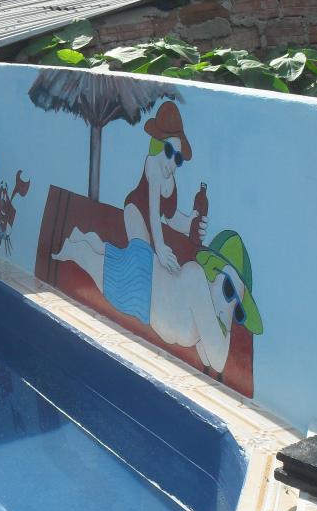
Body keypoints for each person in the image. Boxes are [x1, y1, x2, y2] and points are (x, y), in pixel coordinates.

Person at [52, 228, 262, 376]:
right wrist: (228, 324)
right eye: (228, 290)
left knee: (98, 259)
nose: (229, 306)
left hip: (144, 285)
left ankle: (86, 240)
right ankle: (77, 247)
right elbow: (218, 359)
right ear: (212, 272)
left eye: (238, 310)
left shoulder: (204, 313)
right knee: (86, 259)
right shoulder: (196, 278)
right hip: (139, 282)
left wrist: (228, 310)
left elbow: (207, 357)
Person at [122, 100, 205, 272]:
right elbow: (154, 213)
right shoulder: (153, 166)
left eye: (178, 158)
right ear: (158, 146)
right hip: (135, 212)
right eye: (169, 152)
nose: (173, 163)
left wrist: (191, 223)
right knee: (143, 257)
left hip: (152, 225)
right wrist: (159, 247)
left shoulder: (171, 182)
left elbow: (171, 218)